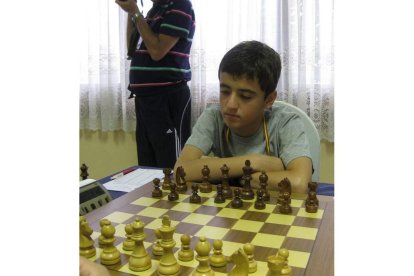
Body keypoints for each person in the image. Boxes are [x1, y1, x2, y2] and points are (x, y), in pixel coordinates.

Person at [174, 41, 312, 193]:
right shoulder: (213, 117)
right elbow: (181, 171)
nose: (231, 104)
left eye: (245, 96)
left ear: (269, 100)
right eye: (225, 91)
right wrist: (255, 162)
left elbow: (299, 183)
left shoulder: (286, 123)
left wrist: (219, 167)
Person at [115, 0, 195, 168]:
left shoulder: (180, 6)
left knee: (171, 164)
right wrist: (131, 12)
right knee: (147, 165)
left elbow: (157, 51)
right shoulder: (154, 11)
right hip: (145, 99)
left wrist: (136, 12)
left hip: (168, 96)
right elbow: (131, 48)